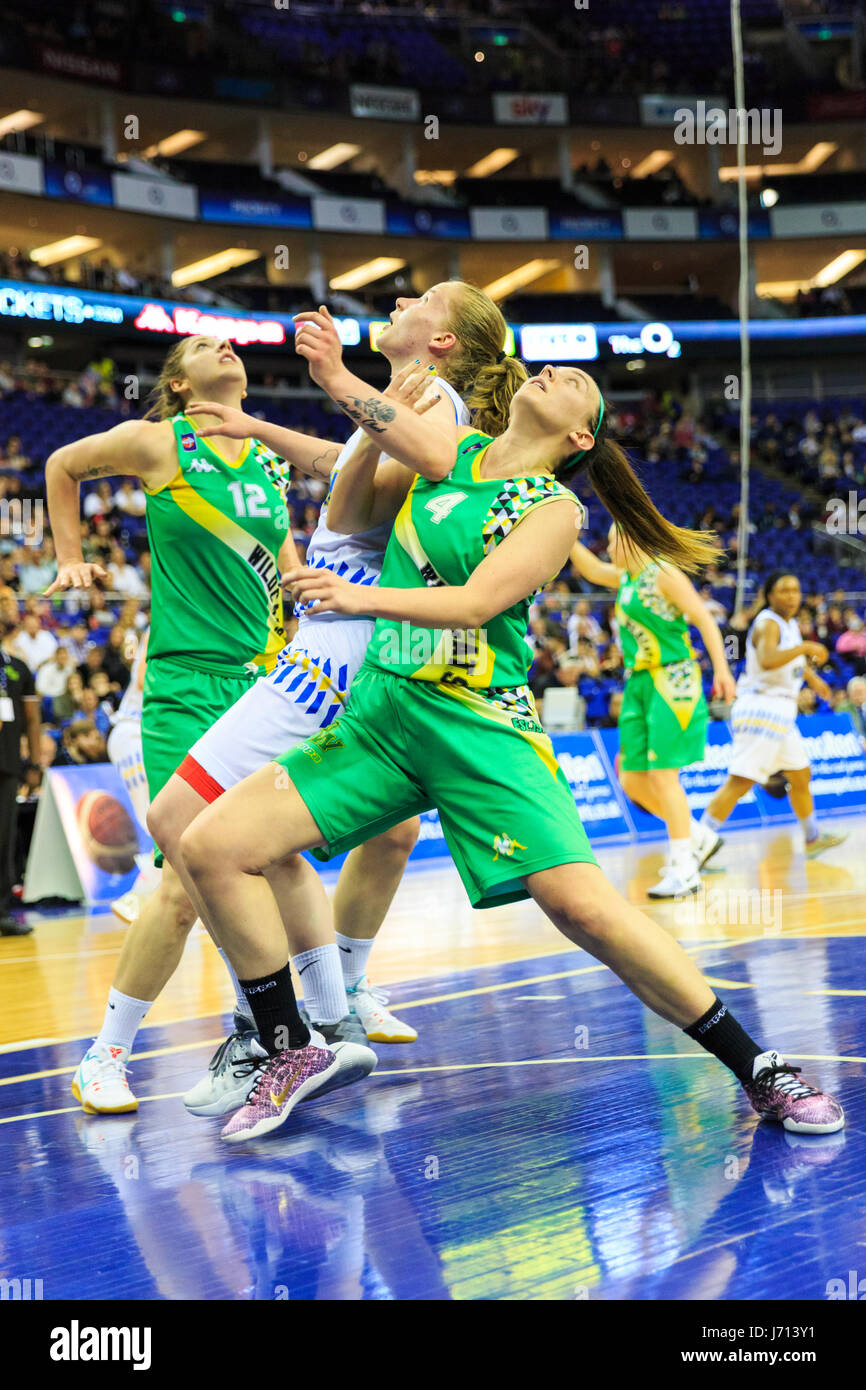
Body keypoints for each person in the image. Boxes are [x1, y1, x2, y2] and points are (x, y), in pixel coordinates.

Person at [178, 350, 844, 1145]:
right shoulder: (451, 451)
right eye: (550, 366)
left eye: (575, 382)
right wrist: (319, 394)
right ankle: (294, 1047)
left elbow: (477, 601)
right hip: (386, 714)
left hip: (481, 726)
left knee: (582, 907)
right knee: (209, 844)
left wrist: (358, 594)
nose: (554, 370)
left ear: (578, 433)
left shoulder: (554, 508)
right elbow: (354, 450)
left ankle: (760, 1066)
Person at [147, 283, 528, 1115]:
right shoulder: (406, 399)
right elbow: (341, 464)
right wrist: (259, 429)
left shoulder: (435, 402)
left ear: (443, 344)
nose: (401, 296)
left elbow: (417, 465)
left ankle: (282, 1035)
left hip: (335, 652)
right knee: (249, 840)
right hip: (332, 648)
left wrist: (335, 378)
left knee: (182, 824)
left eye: (423, 297)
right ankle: (312, 1020)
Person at [45, 334, 376, 1116]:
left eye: (226, 338)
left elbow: (283, 555)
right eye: (202, 344)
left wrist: (312, 603)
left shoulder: (261, 459)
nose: (221, 344)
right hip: (185, 685)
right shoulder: (158, 441)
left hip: (262, 679)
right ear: (179, 383)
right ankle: (106, 1056)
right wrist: (68, 554)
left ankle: (324, 1024)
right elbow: (62, 467)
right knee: (184, 885)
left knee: (278, 853)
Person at [570, 526, 736, 897]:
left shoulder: (663, 572)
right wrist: (562, 529)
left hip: (671, 679)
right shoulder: (627, 577)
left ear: (631, 539)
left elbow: (705, 619)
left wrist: (722, 669)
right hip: (639, 683)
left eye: (613, 540)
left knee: (663, 776)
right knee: (632, 780)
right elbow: (593, 570)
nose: (608, 546)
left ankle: (684, 869)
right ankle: (698, 838)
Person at [699, 571, 847, 859]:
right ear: (769, 595)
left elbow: (786, 658)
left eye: (795, 590)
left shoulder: (787, 623)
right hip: (762, 710)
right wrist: (805, 648)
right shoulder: (768, 623)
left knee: (801, 775)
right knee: (740, 782)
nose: (791, 595)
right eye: (784, 590)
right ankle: (696, 844)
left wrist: (811, 678)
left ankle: (812, 837)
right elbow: (767, 660)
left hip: (780, 712)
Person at [0, 611, 40, 935]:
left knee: (4, 838)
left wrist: (36, 761)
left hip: (7, 765)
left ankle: (1, 911)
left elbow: (32, 718)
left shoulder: (17, 667)